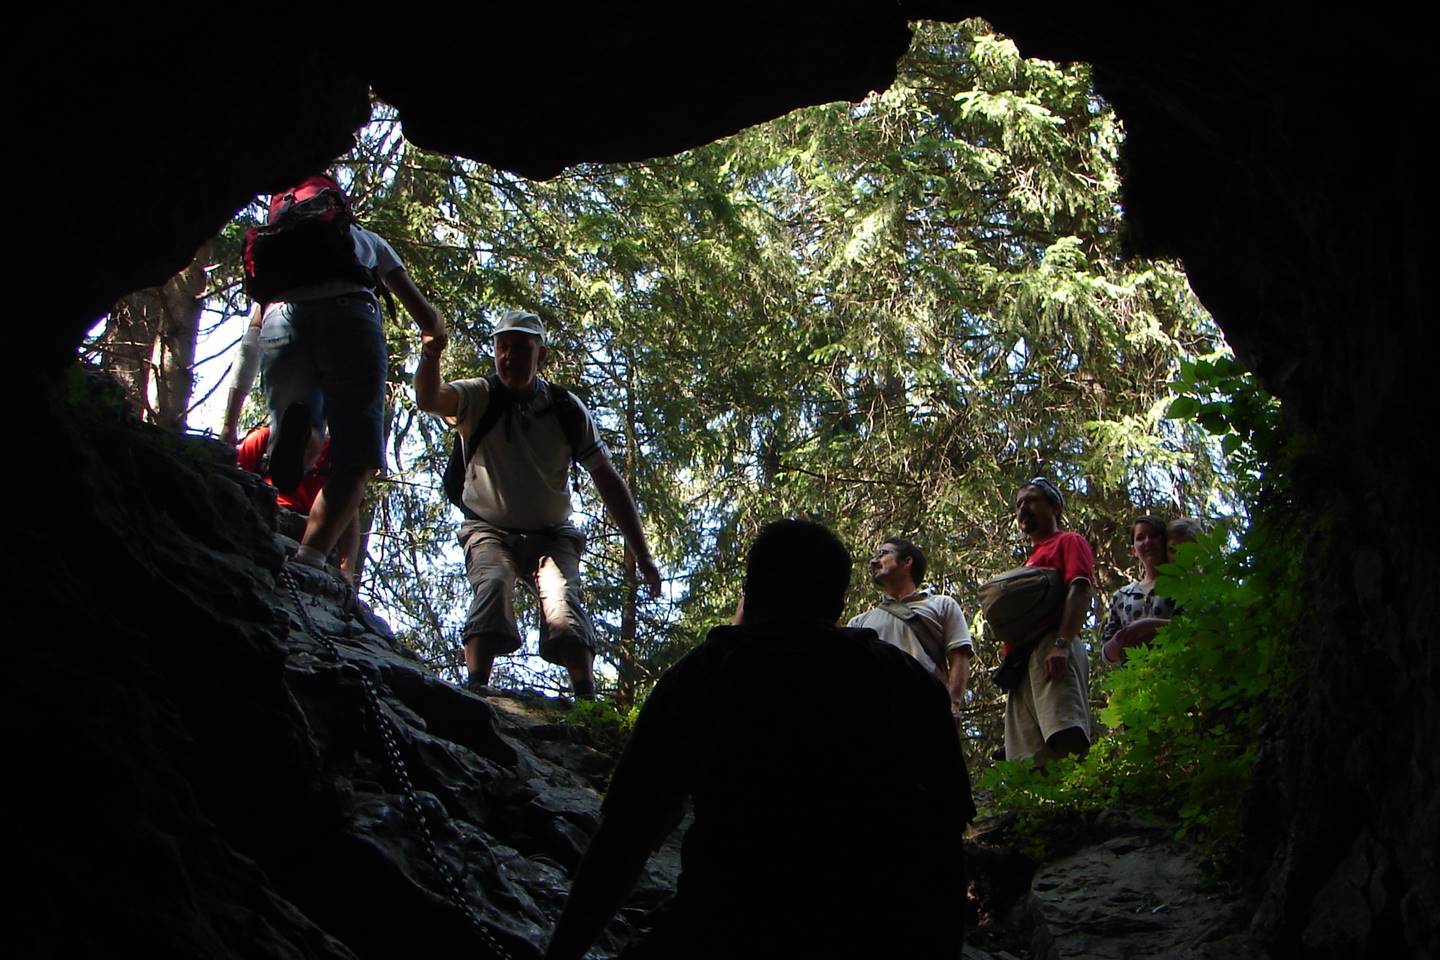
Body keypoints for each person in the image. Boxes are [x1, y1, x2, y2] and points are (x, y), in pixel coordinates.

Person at [544, 519, 974, 960]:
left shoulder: (700, 676)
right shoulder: (903, 682)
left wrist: (563, 952)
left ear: (751, 591)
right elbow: (943, 840)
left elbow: (625, 836)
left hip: (722, 924)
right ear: (838, 599)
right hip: (867, 929)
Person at [415, 309, 661, 698]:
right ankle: (476, 687)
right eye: (503, 348)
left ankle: (585, 698)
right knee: (493, 583)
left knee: (562, 600)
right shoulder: (477, 396)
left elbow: (607, 479)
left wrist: (642, 554)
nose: (509, 357)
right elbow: (430, 399)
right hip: (487, 527)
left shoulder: (565, 409)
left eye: (521, 349)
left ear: (541, 356)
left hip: (552, 533)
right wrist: (430, 355)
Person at [220, 174, 445, 578]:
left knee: (296, 427)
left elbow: (249, 346)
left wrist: (229, 425)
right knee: (355, 458)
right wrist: (434, 336)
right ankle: (310, 560)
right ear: (339, 207)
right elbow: (424, 314)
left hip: (281, 318)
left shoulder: (282, 259)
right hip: (351, 315)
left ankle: (299, 432)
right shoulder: (365, 240)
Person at [1006, 477, 1095, 764]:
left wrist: (1062, 643)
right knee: (1028, 753)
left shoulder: (1068, 541)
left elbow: (1079, 587)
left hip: (1051, 645)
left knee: (1064, 730)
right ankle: (1040, 807)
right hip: (1022, 663)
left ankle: (1081, 800)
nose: (1023, 508)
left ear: (1055, 507)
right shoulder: (1029, 562)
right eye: (1019, 504)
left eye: (1031, 500)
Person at [849, 536, 974, 719]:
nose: (874, 561)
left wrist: (952, 704)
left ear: (907, 562)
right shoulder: (859, 623)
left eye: (883, 554)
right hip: (877, 715)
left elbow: (959, 657)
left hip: (926, 710)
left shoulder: (942, 605)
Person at [234, 424, 362, 581]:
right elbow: (236, 485)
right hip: (263, 524)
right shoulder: (263, 440)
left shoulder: (335, 457)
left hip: (311, 538)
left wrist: (347, 569)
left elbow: (349, 514)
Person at [1101, 515, 1177, 665]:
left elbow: (1196, 628)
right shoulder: (1121, 596)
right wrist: (1122, 638)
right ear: (1133, 550)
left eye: (1154, 536)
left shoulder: (1182, 585)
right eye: (1140, 538)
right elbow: (1107, 654)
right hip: (1135, 683)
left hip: (1178, 677)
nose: (1148, 541)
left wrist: (1150, 627)